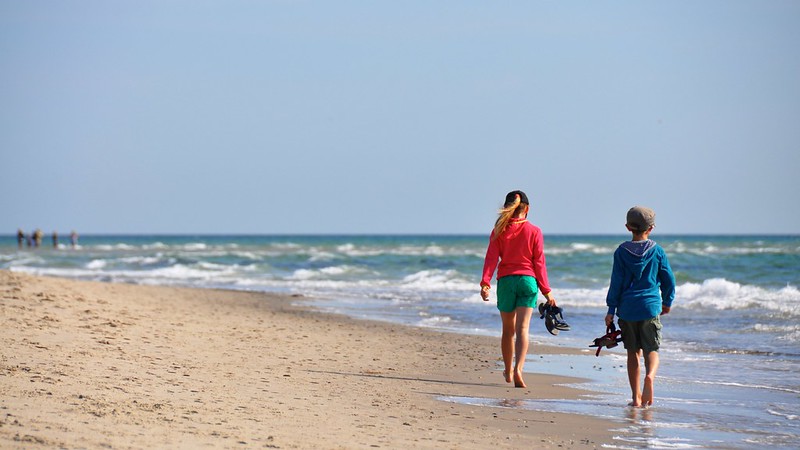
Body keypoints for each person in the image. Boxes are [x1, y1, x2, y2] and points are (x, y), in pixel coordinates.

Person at [480, 190, 557, 388]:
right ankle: (519, 369)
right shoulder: (535, 231)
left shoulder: (498, 230)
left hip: (506, 282)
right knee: (523, 329)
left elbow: (491, 258)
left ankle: (507, 370)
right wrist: (546, 291)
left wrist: (485, 282)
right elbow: (539, 263)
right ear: (527, 209)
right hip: (528, 281)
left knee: (508, 330)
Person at [605, 206, 676, 407]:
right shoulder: (657, 251)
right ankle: (650, 377)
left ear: (628, 227)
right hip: (650, 307)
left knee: (632, 353)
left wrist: (611, 309)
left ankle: (636, 398)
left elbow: (616, 282)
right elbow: (668, 278)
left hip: (627, 309)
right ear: (651, 228)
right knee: (651, 349)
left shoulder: (621, 252)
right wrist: (667, 301)